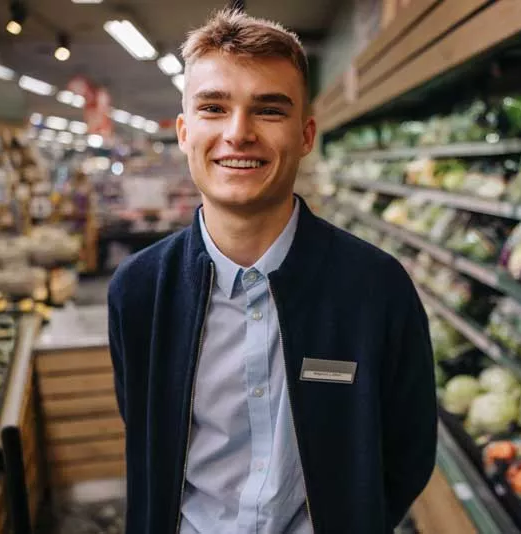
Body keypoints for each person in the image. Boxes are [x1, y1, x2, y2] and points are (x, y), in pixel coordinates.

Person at [107, 9, 436, 534]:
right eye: (214, 108)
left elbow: (410, 450)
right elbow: (147, 433)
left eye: (268, 110)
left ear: (306, 135)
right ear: (184, 131)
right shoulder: (140, 290)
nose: (238, 134)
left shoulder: (377, 288)